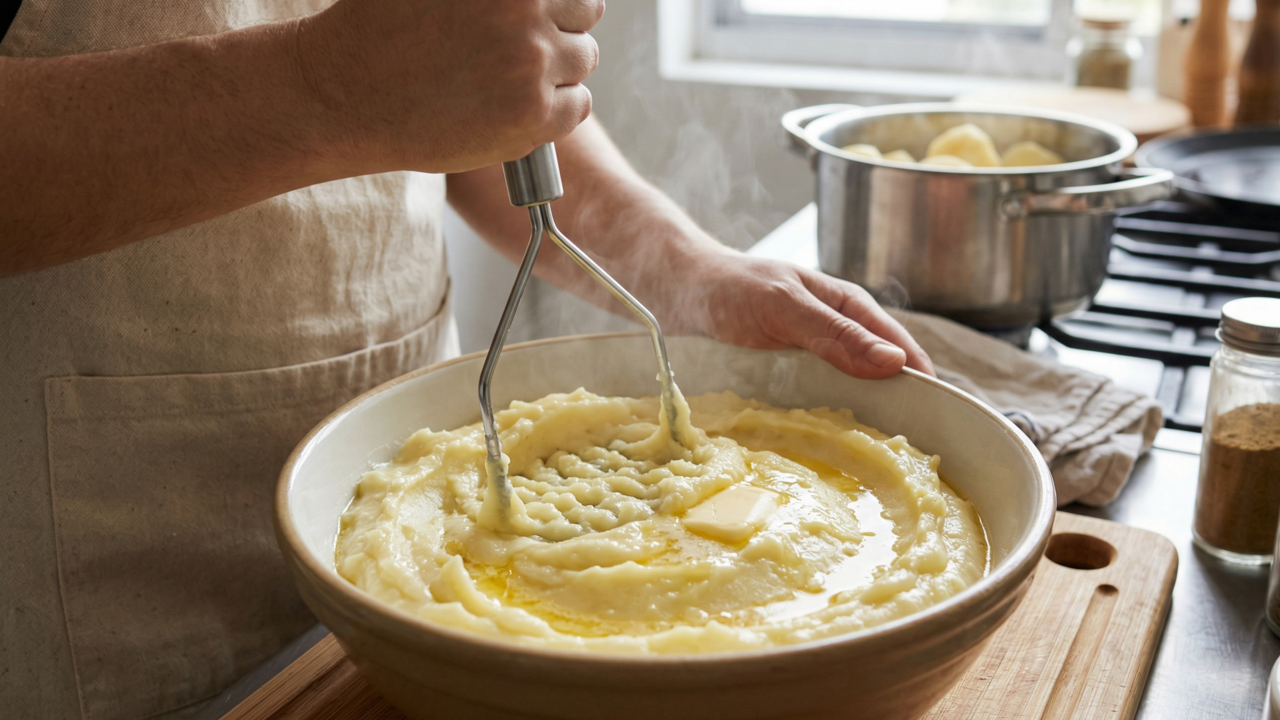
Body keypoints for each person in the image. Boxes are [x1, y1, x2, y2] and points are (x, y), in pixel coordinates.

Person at [0, 1, 933, 718]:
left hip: (409, 552)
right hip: (105, 604)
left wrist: (687, 271)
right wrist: (324, 87)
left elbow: (476, 79)